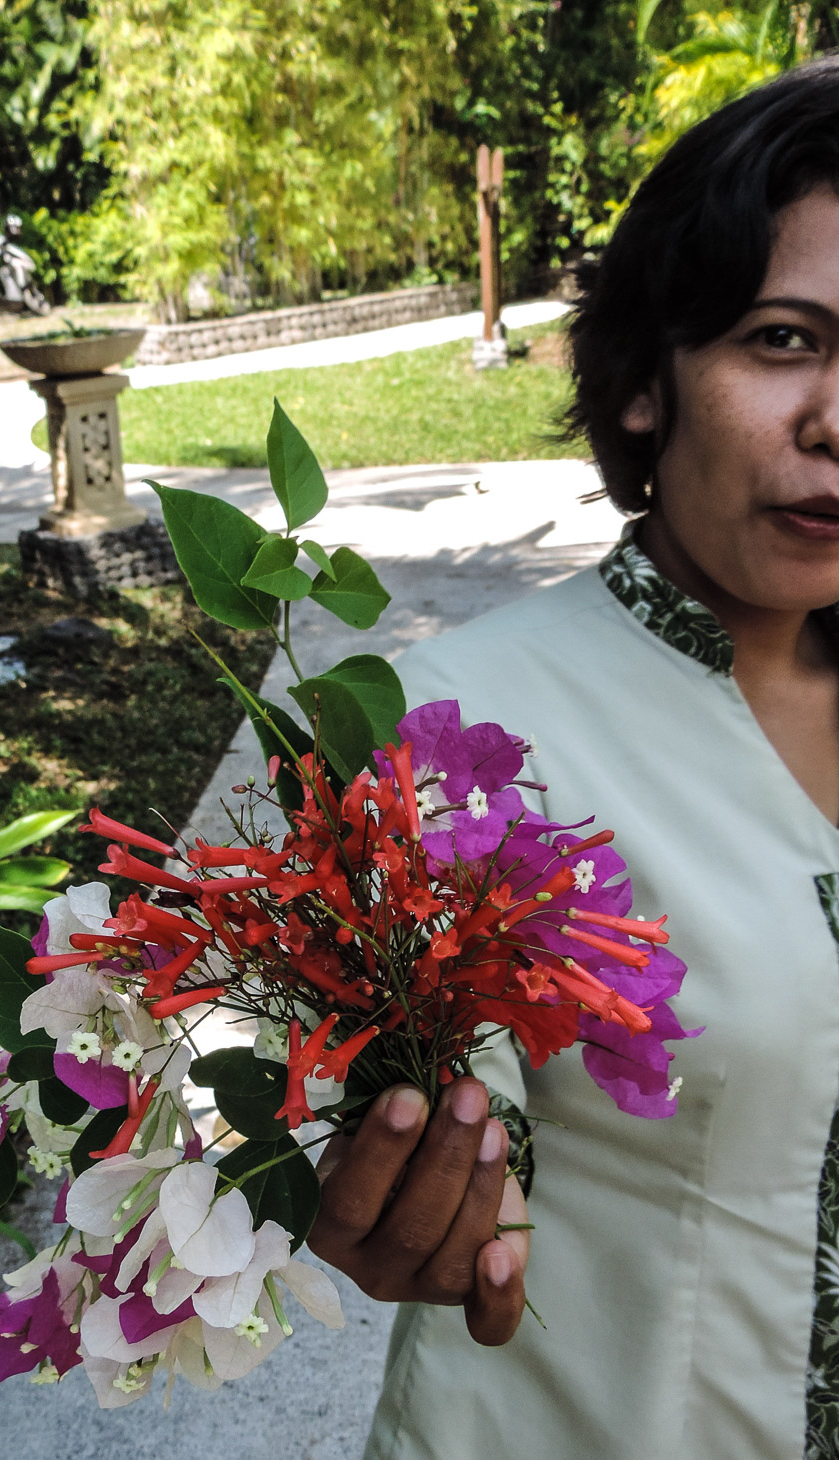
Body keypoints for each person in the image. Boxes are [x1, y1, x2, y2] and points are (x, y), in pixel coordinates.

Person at [308, 57, 839, 1460]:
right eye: (784, 339)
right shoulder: (462, 735)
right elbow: (404, 1119)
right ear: (650, 380)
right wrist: (393, 1175)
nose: (836, 420)